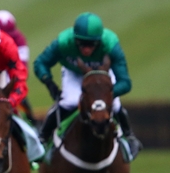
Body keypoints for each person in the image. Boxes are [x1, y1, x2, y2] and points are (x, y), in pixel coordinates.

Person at [33, 12, 142, 159]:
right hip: (75, 73)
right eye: (81, 43)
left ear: (99, 41)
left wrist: (106, 95)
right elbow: (41, 63)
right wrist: (49, 83)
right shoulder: (64, 42)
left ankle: (130, 137)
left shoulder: (111, 44)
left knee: (115, 105)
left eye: (91, 44)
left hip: (103, 76)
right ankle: (43, 139)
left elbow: (125, 82)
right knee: (69, 101)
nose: (86, 49)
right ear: (75, 39)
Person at [0, 9, 36, 123]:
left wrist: (8, 87)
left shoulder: (19, 40)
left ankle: (35, 129)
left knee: (26, 109)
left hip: (10, 81)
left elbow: (21, 68)